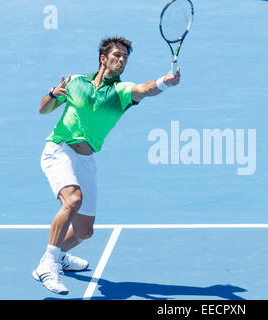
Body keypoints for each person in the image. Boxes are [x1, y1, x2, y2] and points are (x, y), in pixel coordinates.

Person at [32, 36, 180, 295]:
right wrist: (52, 94)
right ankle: (48, 264)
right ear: (103, 58)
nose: (121, 60)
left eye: (125, 57)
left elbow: (145, 89)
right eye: (116, 56)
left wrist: (164, 83)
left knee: (83, 232)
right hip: (59, 149)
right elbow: (43, 110)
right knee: (72, 200)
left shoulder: (120, 92)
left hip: (86, 159)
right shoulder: (76, 82)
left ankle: (61, 255)